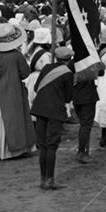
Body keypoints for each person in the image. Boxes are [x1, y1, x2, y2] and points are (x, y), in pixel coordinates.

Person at [0, 23, 35, 161]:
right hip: (14, 89)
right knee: (16, 119)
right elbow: (25, 74)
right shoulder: (17, 55)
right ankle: (17, 149)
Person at [30, 46, 75, 190]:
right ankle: (50, 179)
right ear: (69, 60)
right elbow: (68, 97)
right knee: (52, 146)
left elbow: (37, 87)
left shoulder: (46, 68)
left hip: (40, 108)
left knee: (42, 145)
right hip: (55, 110)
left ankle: (43, 178)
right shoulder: (68, 73)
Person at [71, 62, 99, 164]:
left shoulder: (72, 63)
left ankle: (82, 151)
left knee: (84, 125)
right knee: (86, 125)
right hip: (87, 96)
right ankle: (82, 152)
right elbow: (100, 72)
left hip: (76, 96)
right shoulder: (89, 62)